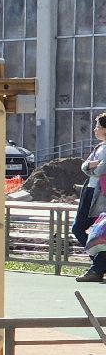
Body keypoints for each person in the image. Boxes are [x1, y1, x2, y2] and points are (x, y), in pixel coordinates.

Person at [74, 112, 106, 283]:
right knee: (79, 229)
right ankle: (99, 266)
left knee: (91, 230)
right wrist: (91, 165)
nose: (95, 129)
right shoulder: (98, 148)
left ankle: (98, 268)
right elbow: (84, 166)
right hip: (90, 192)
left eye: (98, 126)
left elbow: (101, 169)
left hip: (101, 195)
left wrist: (91, 166)